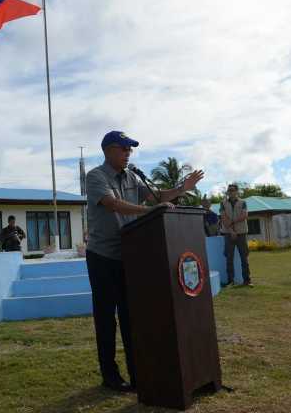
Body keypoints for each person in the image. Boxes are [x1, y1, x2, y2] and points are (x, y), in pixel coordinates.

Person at [86, 130, 204, 393]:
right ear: (108, 150)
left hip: (130, 255)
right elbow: (112, 204)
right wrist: (149, 211)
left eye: (130, 149)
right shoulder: (96, 176)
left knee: (131, 317)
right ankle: (110, 376)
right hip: (102, 257)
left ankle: (138, 373)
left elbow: (155, 195)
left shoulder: (131, 176)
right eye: (123, 148)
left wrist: (181, 189)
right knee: (106, 319)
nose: (128, 153)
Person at [219, 183, 251, 286]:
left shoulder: (243, 202)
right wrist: (231, 230)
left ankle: (247, 280)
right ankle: (230, 281)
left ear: (237, 191)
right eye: (229, 190)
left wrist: (233, 222)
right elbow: (223, 218)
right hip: (228, 234)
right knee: (229, 258)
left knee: (244, 257)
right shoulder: (222, 203)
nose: (230, 192)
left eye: (233, 190)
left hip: (241, 233)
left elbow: (244, 215)